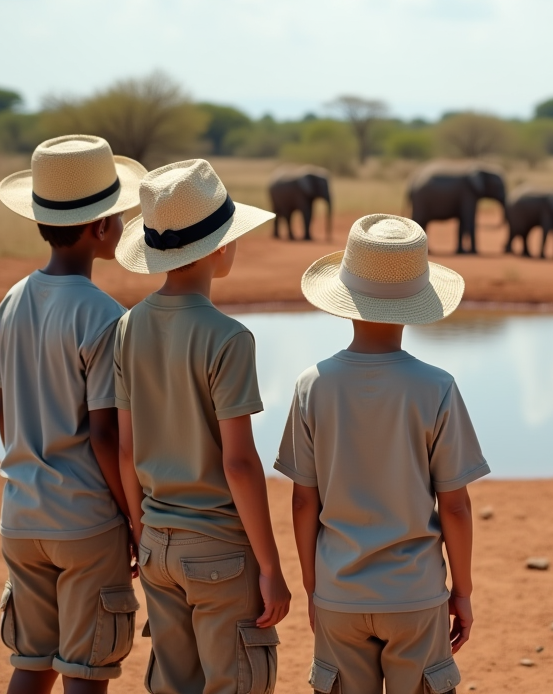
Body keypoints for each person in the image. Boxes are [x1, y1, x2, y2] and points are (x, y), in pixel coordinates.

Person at [276, 213, 490, 694]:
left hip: (339, 593)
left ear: (345, 300)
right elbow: (454, 505)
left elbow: (302, 501)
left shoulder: (312, 386)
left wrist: (315, 588)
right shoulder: (436, 387)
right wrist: (463, 591)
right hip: (415, 595)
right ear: (417, 303)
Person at [112, 159, 291, 694]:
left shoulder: (127, 326)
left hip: (156, 543)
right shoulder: (229, 338)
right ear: (217, 248)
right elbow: (237, 463)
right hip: (218, 551)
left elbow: (126, 451)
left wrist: (144, 535)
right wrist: (270, 565)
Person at [0, 135, 147, 693]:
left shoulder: (11, 300)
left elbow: (1, 409)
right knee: (86, 669)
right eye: (120, 214)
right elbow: (105, 434)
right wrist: (132, 517)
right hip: (84, 520)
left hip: (21, 514)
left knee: (30, 664)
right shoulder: (105, 316)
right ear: (101, 228)